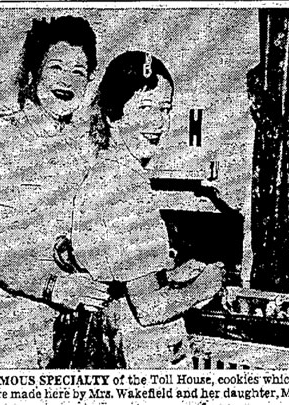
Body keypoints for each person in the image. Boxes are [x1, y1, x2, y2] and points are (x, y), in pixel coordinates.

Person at [52, 51, 225, 369]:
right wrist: (206, 284)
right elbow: (149, 308)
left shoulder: (106, 174)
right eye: (145, 108)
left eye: (165, 109)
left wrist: (172, 278)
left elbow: (121, 276)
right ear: (113, 114)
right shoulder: (125, 187)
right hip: (132, 347)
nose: (158, 122)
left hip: (107, 335)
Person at [0, 16, 111, 369]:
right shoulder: (0, 138)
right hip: (4, 312)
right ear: (33, 75)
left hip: (69, 318)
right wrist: (50, 285)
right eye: (56, 67)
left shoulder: (85, 147)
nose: (67, 80)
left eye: (79, 71)